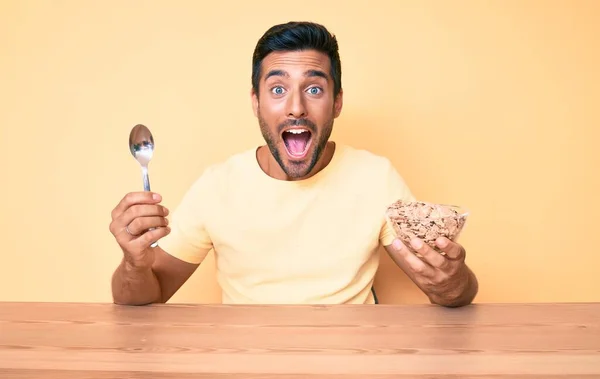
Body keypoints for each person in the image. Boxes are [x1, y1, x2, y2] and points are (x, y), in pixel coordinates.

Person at [109, 21, 478, 307]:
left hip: (350, 368)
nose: (297, 107)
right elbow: (146, 297)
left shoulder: (375, 178)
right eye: (278, 89)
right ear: (256, 102)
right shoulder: (218, 186)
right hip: (249, 371)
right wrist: (134, 263)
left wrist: (452, 280)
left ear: (336, 103)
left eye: (314, 89)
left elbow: (451, 291)